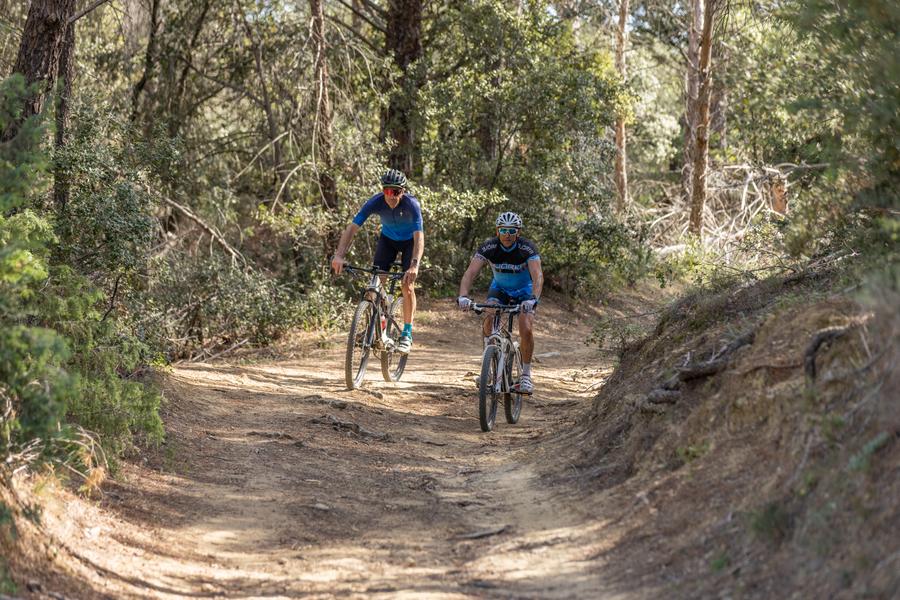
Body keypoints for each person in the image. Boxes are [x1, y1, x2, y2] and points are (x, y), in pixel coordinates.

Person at [331, 169, 424, 354]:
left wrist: (414, 265)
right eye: (387, 191)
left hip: (408, 244)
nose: (390, 196)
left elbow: (419, 237)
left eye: (395, 191)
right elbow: (352, 228)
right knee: (375, 286)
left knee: (407, 286)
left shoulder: (412, 204)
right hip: (387, 241)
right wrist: (339, 255)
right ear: (383, 191)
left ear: (403, 191)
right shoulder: (375, 202)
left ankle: (406, 333)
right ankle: (375, 325)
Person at [457, 211, 543, 394]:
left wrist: (533, 299)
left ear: (518, 233)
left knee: (525, 327)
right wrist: (463, 296)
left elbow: (538, 276)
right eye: (503, 230)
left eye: (512, 231)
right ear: (497, 231)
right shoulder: (489, 247)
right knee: (489, 315)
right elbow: (470, 273)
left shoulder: (527, 249)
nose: (507, 234)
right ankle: (488, 365)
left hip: (524, 292)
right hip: (500, 289)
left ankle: (526, 376)